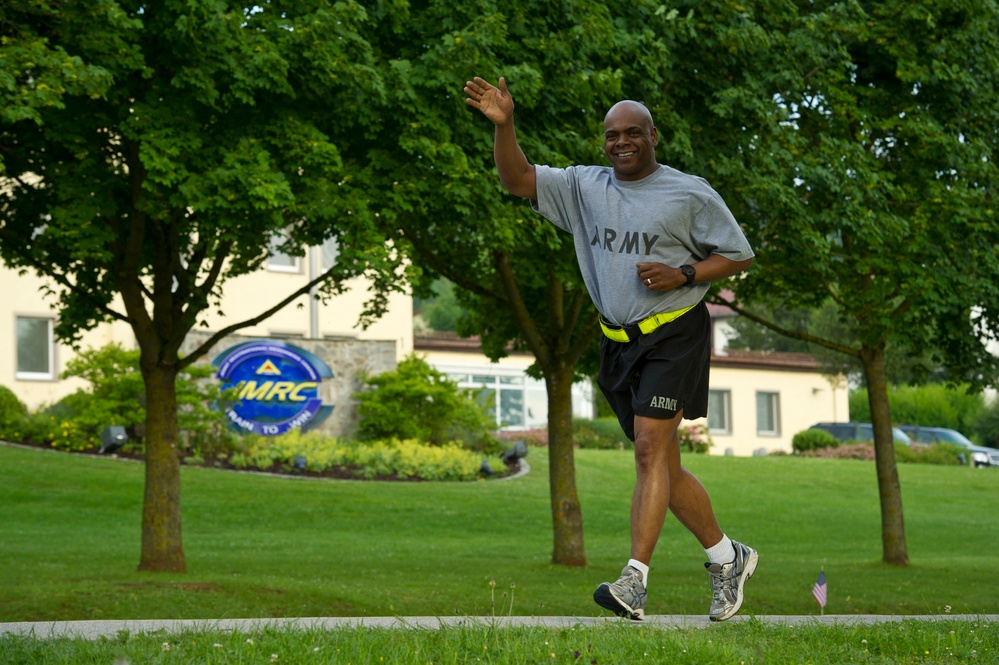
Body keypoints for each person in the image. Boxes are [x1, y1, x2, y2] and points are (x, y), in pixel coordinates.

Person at [463, 76, 758, 622]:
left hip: (674, 331)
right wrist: (505, 128)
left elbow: (738, 255)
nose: (620, 143)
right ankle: (727, 557)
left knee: (648, 449)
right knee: (662, 464)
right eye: (610, 135)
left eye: (632, 133)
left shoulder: (688, 192)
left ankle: (634, 583)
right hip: (618, 342)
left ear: (653, 136)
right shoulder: (583, 186)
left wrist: (684, 272)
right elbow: (517, 179)